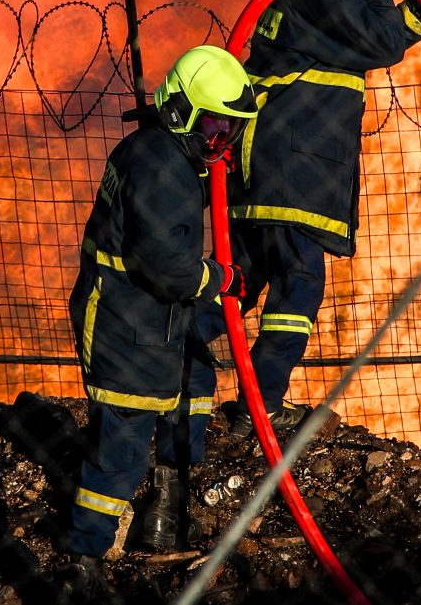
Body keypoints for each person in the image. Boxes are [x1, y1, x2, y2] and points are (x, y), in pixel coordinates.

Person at [218, 0, 421, 439]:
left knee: (241, 280)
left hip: (278, 160)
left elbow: (371, 45)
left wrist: (419, 6)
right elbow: (379, 40)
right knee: (299, 281)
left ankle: (171, 360)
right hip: (288, 161)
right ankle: (260, 407)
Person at [57, 44, 256, 595]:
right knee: (122, 438)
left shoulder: (167, 156)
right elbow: (167, 267)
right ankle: (82, 562)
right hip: (126, 318)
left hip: (159, 318)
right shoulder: (160, 167)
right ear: (180, 111)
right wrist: (220, 280)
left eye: (230, 130)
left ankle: (164, 515)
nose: (222, 143)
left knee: (192, 392)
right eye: (215, 128)